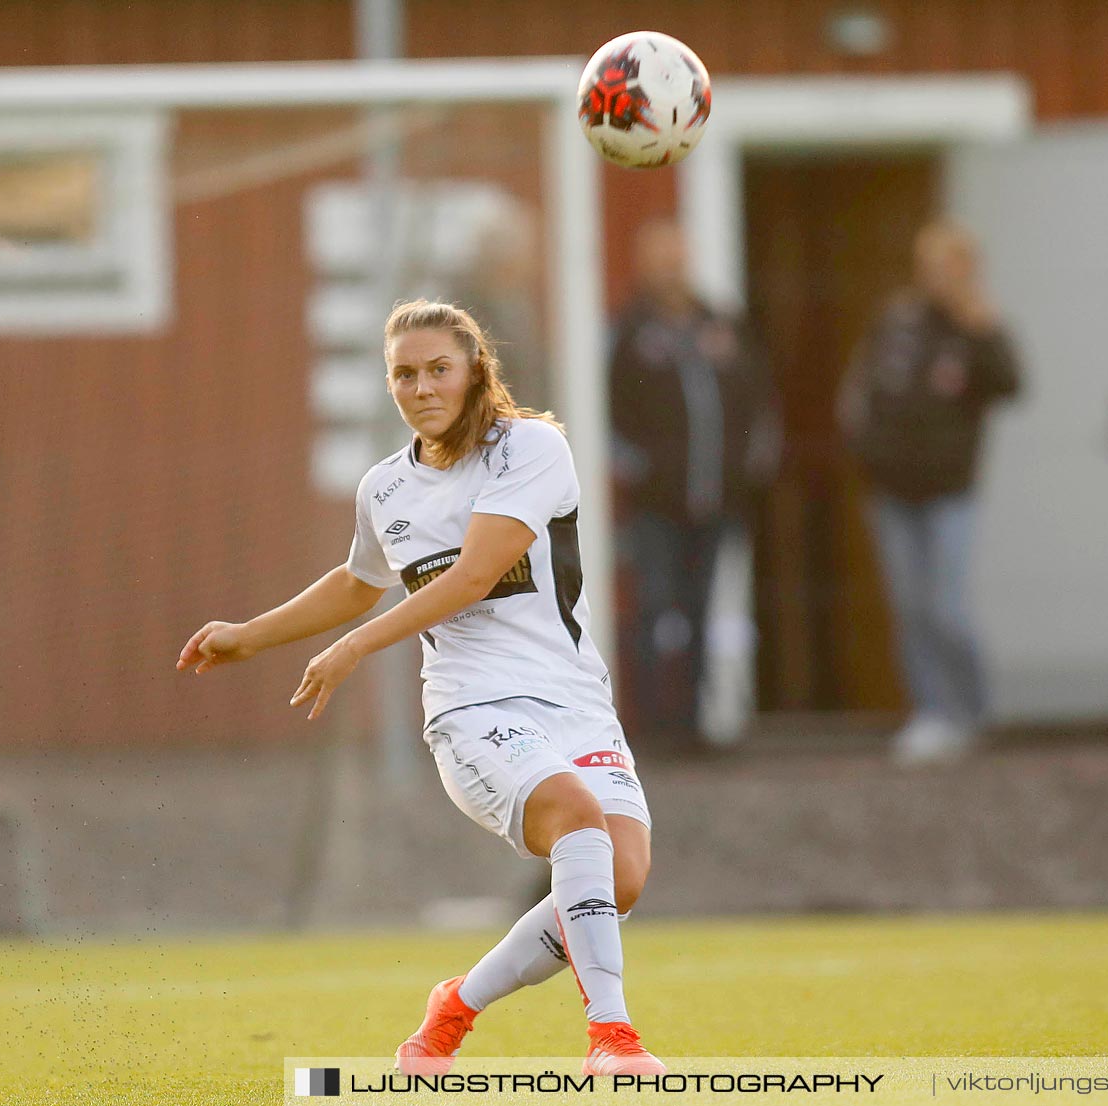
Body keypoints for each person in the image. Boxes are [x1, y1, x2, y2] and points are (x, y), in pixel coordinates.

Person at [176, 300, 664, 1075]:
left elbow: (474, 574)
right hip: (472, 709)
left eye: (439, 368)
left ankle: (452, 1012)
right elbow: (356, 582)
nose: (422, 386)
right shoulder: (385, 488)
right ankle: (613, 1039)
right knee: (576, 819)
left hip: (575, 702)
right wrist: (250, 633)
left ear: (476, 372)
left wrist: (354, 649)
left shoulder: (530, 448)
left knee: (622, 876)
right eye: (403, 374)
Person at [841, 221, 1021, 765]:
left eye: (949, 264)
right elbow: (859, 390)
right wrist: (867, 453)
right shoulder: (897, 321)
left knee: (947, 606)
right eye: (930, 265)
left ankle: (973, 711)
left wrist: (984, 331)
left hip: (950, 491)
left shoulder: (978, 328)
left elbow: (1011, 385)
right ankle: (931, 712)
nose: (937, 276)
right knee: (910, 608)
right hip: (893, 490)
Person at [609, 219, 777, 745]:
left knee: (705, 610)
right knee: (656, 607)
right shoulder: (630, 332)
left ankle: (698, 723)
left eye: (676, 259)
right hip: (657, 502)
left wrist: (750, 467)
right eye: (659, 261)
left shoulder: (722, 325)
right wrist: (639, 469)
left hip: (721, 499)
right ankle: (654, 724)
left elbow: (758, 398)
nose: (670, 270)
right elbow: (611, 411)